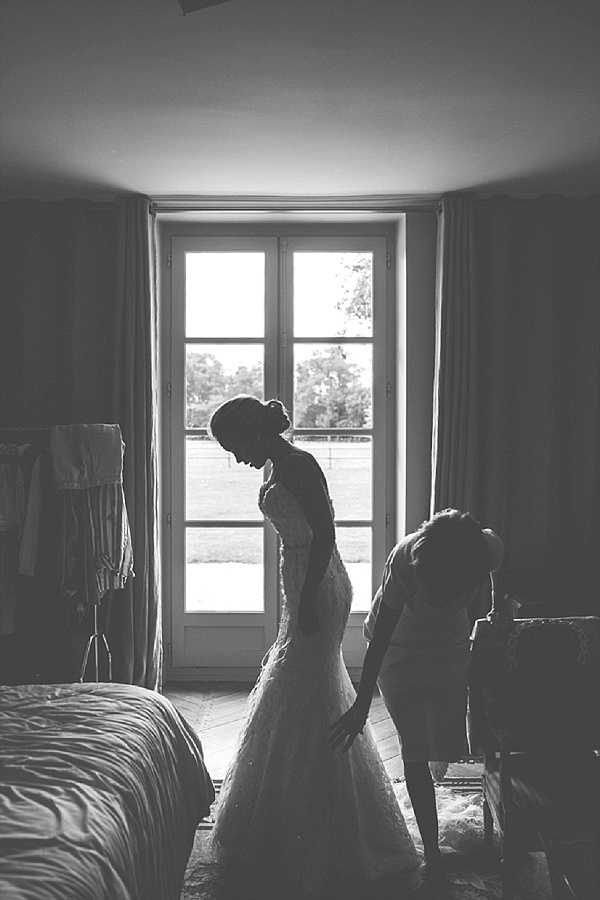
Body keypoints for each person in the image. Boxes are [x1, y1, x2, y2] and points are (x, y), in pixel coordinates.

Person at [207, 395, 419, 899]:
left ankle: (329, 815)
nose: (236, 459)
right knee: (302, 690)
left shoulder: (298, 464)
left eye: (235, 447)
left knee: (305, 685)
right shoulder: (275, 465)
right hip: (300, 578)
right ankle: (294, 806)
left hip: (319, 586)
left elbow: (325, 533)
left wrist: (305, 601)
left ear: (255, 434)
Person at [330, 509, 504, 872]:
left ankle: (445, 790)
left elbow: (492, 600)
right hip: (398, 650)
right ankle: (432, 853)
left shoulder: (484, 550)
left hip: (447, 647)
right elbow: (380, 639)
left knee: (443, 736)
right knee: (414, 747)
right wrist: (362, 704)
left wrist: (494, 622)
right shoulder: (406, 562)